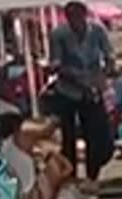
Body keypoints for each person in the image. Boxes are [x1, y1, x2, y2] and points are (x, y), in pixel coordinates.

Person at [48, 1, 114, 182]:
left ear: (85, 16)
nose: (74, 21)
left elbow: (109, 57)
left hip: (92, 89)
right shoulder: (58, 35)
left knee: (96, 135)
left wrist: (102, 77)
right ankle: (71, 177)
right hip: (68, 90)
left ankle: (94, 175)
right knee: (68, 137)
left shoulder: (98, 32)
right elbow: (55, 65)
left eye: (77, 17)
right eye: (70, 18)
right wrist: (75, 78)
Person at [0, 101, 74, 199]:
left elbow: (66, 168)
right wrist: (54, 120)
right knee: (55, 166)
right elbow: (44, 129)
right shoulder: (15, 144)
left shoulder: (12, 147)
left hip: (24, 198)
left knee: (55, 165)